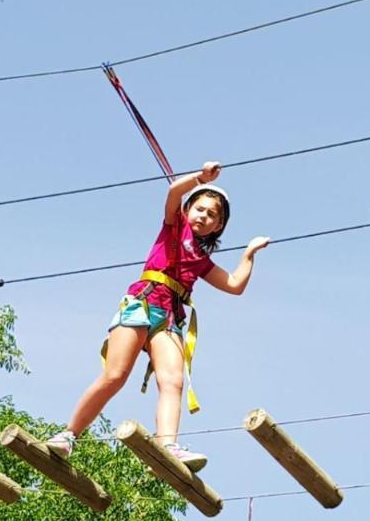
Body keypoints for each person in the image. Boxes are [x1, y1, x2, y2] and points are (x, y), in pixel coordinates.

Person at [47, 161, 269, 471]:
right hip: (142, 304)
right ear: (189, 210)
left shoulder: (201, 261)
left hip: (168, 319)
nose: (204, 216)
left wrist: (249, 255)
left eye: (212, 215)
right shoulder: (173, 227)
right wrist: (200, 178)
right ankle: (68, 435)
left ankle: (167, 446)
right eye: (200, 209)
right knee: (115, 376)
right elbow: (173, 192)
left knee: (173, 381)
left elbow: (234, 285)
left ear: (218, 226)